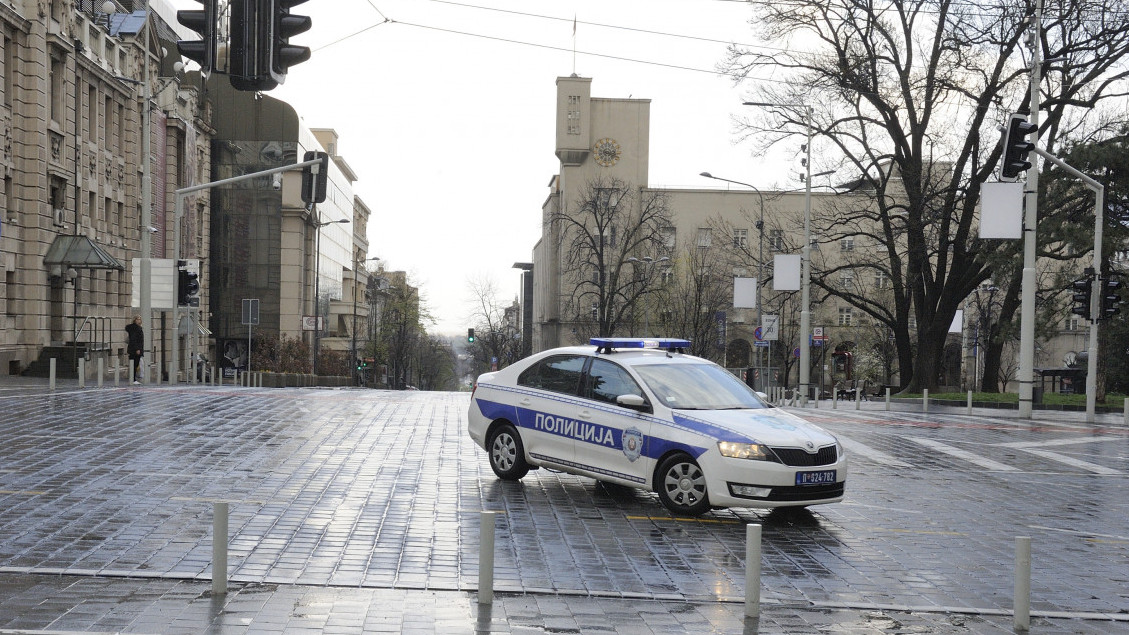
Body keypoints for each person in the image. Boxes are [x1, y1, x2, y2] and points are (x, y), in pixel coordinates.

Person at [125, 315, 144, 384]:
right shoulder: (136, 329)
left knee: (135, 364)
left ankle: (133, 378)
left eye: (140, 319)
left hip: (133, 349)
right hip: (135, 350)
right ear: (134, 320)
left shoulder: (136, 328)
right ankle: (133, 379)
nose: (139, 320)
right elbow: (134, 339)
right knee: (134, 364)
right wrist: (137, 349)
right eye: (138, 319)